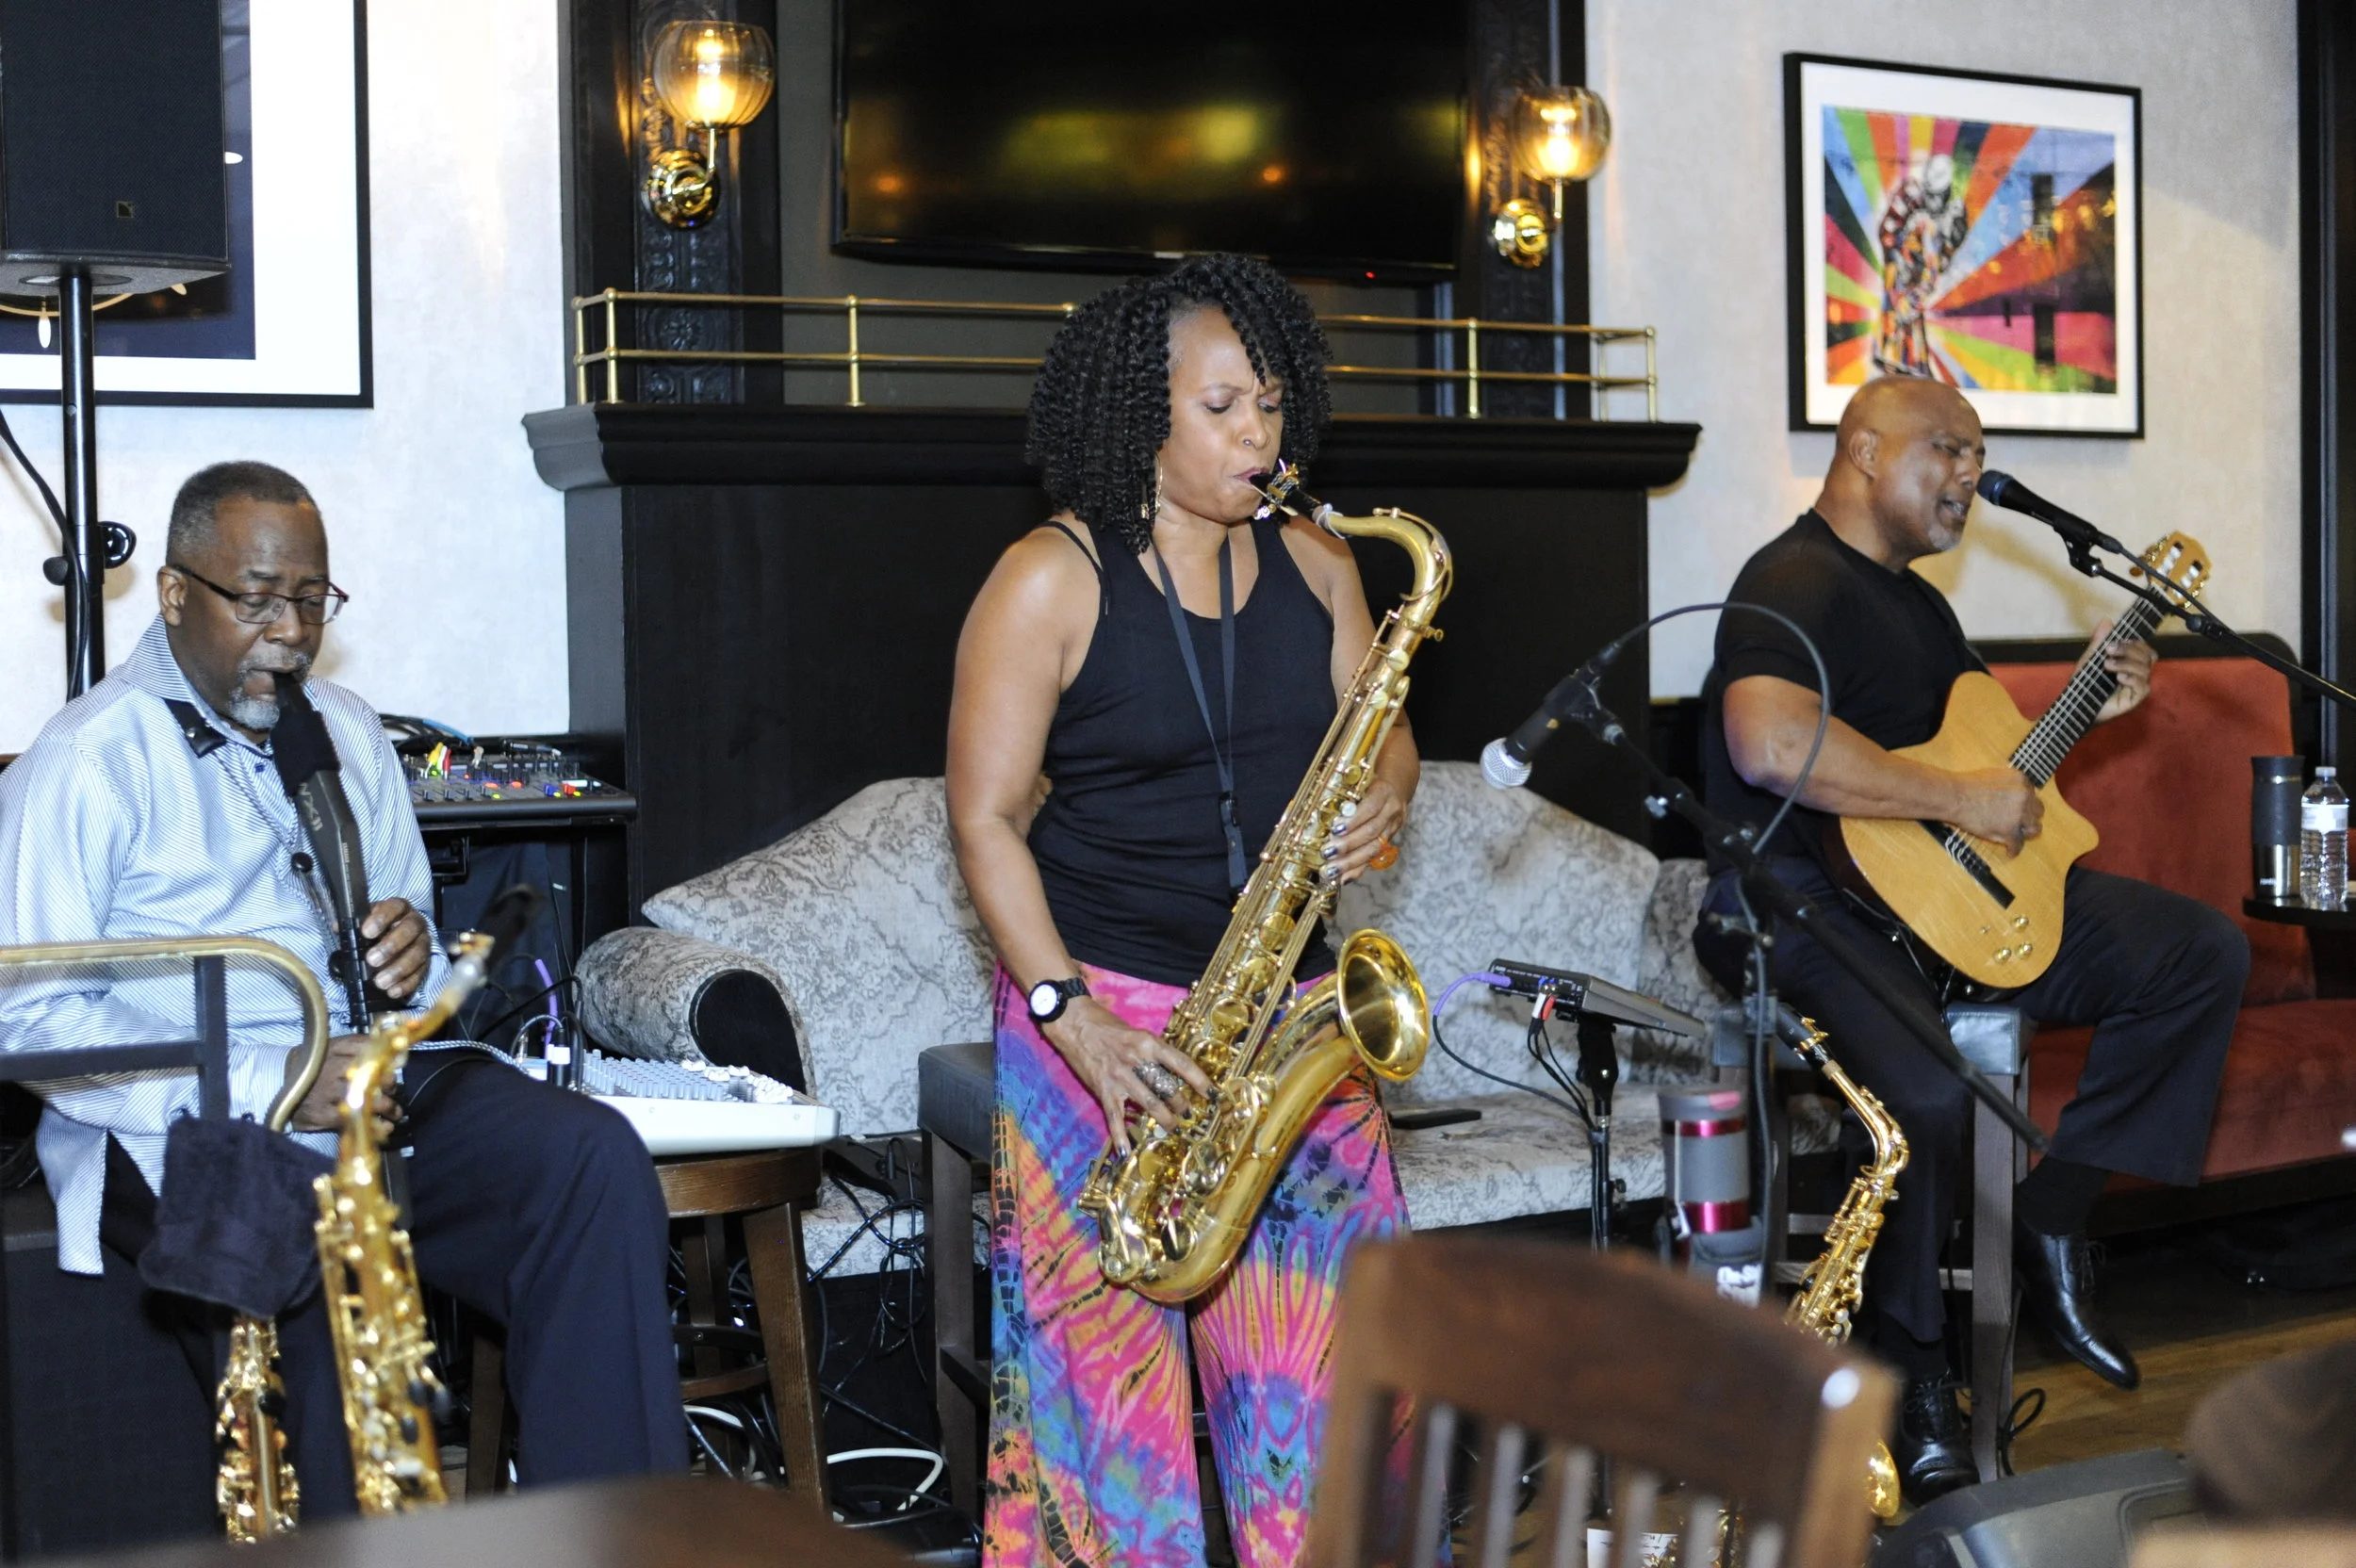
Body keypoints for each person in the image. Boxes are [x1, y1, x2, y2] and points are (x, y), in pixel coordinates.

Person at [0, 462, 683, 1514]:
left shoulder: (348, 733)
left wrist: (413, 954)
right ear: (176, 593)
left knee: (589, 1164)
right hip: (180, 1119)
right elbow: (31, 1021)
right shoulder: (88, 758)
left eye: (311, 600)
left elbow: (405, 943)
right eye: (259, 598)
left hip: (368, 1088)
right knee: (318, 1244)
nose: (289, 630)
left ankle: (618, 1536)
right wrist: (274, 1076)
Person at [1693, 377, 2247, 1504]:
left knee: (2196, 951)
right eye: (1946, 448)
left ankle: (2051, 1218)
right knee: (1930, 1097)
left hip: (1940, 904)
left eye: (1976, 452)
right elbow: (1768, 742)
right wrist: (1955, 799)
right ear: (1861, 449)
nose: (1966, 476)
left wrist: (2096, 701)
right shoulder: (1788, 579)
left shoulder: (1921, 607)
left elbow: (2003, 764)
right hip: (1800, 903)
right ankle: (1915, 1376)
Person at [946, 253, 1417, 1568]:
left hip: (1292, 1020)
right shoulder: (1049, 579)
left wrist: (1383, 795)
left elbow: (1382, 727)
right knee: (1109, 1428)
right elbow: (983, 819)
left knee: (1335, 1400)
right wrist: (1071, 1020)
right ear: (1137, 415)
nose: (1259, 435)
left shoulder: (1322, 566)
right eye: (1222, 408)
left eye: (1269, 403)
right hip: (1110, 1024)